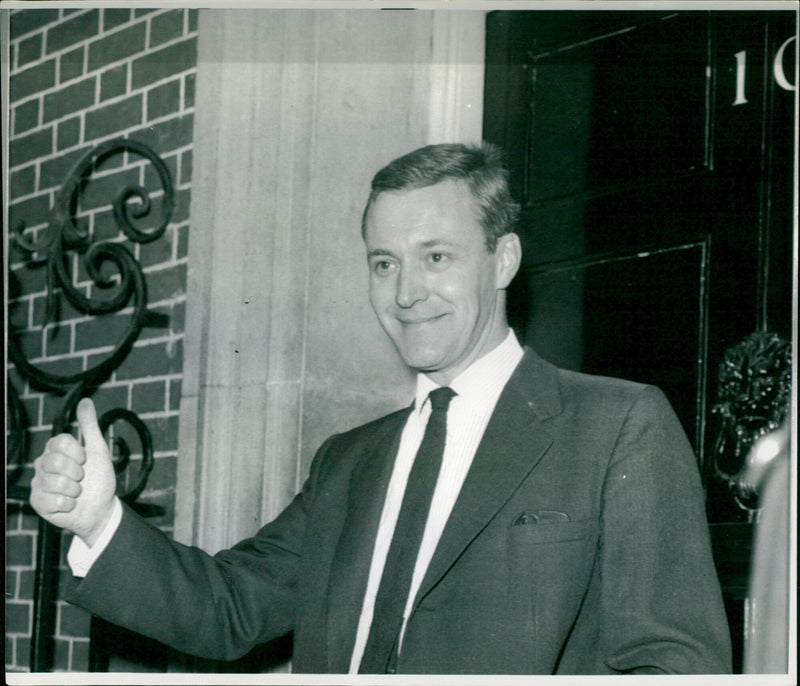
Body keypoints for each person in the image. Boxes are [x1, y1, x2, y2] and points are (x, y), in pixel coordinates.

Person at [30, 142, 732, 674]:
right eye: (384, 263)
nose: (404, 294)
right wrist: (98, 521)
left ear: (504, 259)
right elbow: (231, 608)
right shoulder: (348, 461)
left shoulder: (616, 428)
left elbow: (673, 667)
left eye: (436, 258)